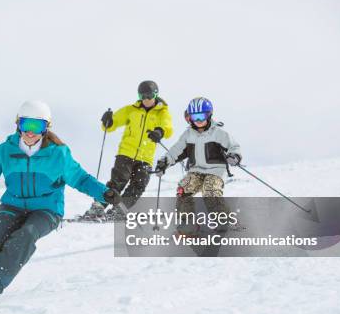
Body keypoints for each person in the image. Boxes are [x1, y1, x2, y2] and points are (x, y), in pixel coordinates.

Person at [0, 100, 121, 311]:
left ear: (46, 128)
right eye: (27, 125)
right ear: (18, 124)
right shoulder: (3, 152)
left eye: (37, 126)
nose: (31, 132)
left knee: (25, 235)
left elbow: (81, 179)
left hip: (47, 209)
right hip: (12, 205)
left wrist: (104, 193)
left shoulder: (59, 154)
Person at [83, 80, 173, 220]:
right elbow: (112, 124)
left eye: (149, 96)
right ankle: (98, 206)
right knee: (118, 181)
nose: (146, 99)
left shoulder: (162, 113)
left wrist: (159, 132)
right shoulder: (131, 110)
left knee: (139, 184)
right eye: (142, 96)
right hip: (126, 153)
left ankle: (120, 210)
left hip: (145, 157)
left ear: (155, 95)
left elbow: (167, 128)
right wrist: (108, 121)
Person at [155, 97, 241, 233]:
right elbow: (176, 150)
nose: (199, 120)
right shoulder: (188, 134)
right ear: (189, 118)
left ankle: (224, 220)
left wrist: (234, 156)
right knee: (183, 188)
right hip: (196, 171)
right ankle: (188, 223)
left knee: (210, 189)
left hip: (215, 171)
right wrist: (164, 162)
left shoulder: (218, 132)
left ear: (209, 115)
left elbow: (234, 146)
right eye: (195, 117)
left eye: (202, 116)